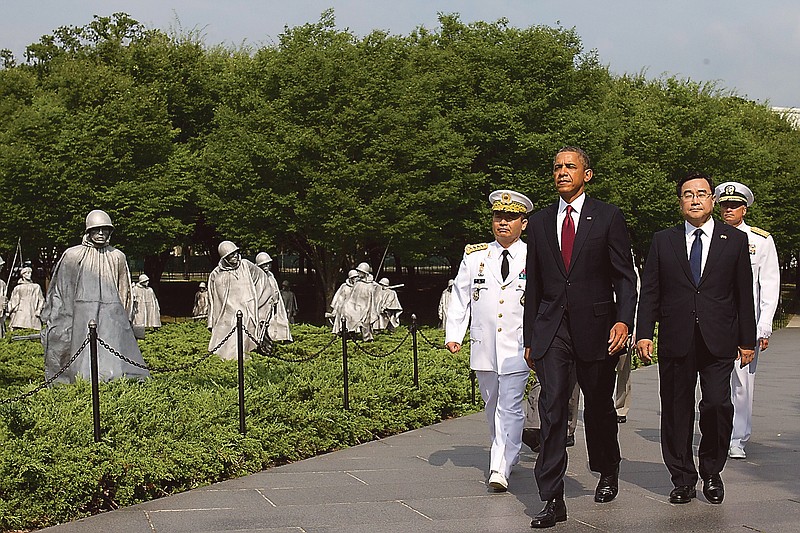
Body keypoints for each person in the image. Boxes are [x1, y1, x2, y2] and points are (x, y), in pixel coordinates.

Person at [523, 147, 637, 528]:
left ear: (587, 174)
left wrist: (623, 321)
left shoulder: (607, 216)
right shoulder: (538, 222)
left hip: (597, 329)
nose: (561, 172)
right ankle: (552, 497)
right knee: (552, 408)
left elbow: (625, 275)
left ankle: (607, 466)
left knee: (599, 407)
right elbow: (535, 284)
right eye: (556, 167)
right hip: (552, 329)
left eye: (570, 166)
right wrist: (530, 338)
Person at [636, 172, 756, 506]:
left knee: (717, 404)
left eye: (701, 193)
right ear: (680, 202)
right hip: (677, 338)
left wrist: (747, 340)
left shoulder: (732, 240)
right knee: (676, 410)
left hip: (719, 338)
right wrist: (644, 332)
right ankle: (683, 478)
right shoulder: (664, 240)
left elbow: (743, 294)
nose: (695, 199)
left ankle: (712, 472)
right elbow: (650, 291)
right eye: (688, 194)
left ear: (712, 201)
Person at [446, 189, 534, 493]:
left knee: (509, 405)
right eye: (499, 216)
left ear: (524, 222)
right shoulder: (475, 257)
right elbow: (460, 296)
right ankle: (508, 448)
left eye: (511, 217)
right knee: (492, 404)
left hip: (518, 345)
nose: (503, 222)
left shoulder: (533, 255)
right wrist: (454, 334)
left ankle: (500, 464)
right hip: (484, 346)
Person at [41, 210, 150, 383]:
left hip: (111, 312)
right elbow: (63, 288)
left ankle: (114, 381)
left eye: (105, 230)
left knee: (113, 353)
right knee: (80, 355)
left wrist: (124, 317)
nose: (100, 233)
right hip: (81, 311)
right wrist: (60, 315)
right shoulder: (72, 255)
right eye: (96, 229)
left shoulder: (117, 256)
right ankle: (81, 382)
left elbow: (124, 290)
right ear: (88, 231)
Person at [714, 181, 780, 460]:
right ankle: (716, 432)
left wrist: (764, 325)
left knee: (742, 383)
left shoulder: (760, 241)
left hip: (745, 322)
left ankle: (737, 437)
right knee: (714, 382)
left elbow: (769, 285)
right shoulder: (709, 236)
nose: (729, 209)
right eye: (725, 205)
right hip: (714, 322)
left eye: (734, 205)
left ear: (744, 209)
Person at [207, 241, 274, 360]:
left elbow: (262, 280)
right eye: (231, 255)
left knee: (243, 334)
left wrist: (260, 302)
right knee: (224, 336)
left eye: (236, 253)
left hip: (246, 312)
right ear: (225, 258)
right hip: (226, 314)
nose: (235, 256)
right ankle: (227, 362)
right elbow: (212, 299)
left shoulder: (246, 265)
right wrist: (212, 321)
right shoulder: (216, 274)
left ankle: (242, 360)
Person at [254, 252, 292, 342]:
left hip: (274, 306)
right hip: (262, 307)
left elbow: (275, 289)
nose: (267, 266)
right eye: (264, 265)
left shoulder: (271, 276)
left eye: (268, 264)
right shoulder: (256, 277)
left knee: (276, 324)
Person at [341, 262, 377, 341]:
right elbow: (352, 296)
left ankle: (367, 338)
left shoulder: (371, 285)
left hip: (366, 307)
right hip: (355, 306)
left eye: (360, 271)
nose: (358, 273)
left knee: (365, 323)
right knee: (348, 314)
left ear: (365, 273)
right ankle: (351, 334)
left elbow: (372, 299)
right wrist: (347, 305)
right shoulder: (357, 283)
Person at [7, 266, 44, 330]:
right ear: (23, 275)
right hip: (20, 314)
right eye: (27, 273)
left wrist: (39, 310)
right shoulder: (18, 288)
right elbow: (13, 301)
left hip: (32, 313)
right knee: (19, 329)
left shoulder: (36, 287)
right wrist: (10, 311)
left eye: (30, 273)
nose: (30, 275)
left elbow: (41, 300)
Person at [329, 269, 359, 334]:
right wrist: (335, 309)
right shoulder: (344, 286)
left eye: (356, 277)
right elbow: (339, 298)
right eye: (353, 278)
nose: (355, 279)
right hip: (345, 308)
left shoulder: (359, 287)